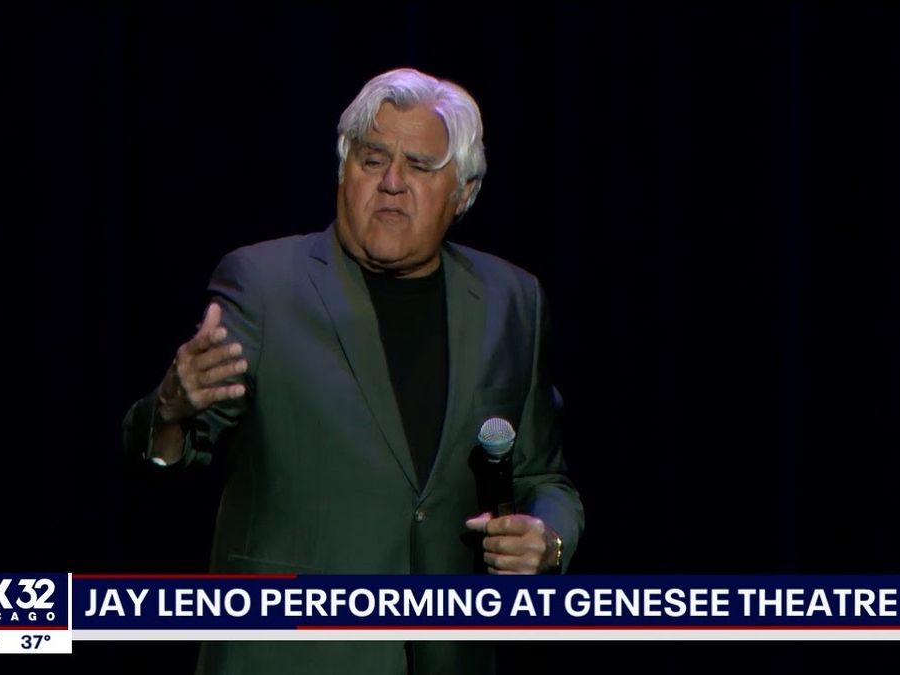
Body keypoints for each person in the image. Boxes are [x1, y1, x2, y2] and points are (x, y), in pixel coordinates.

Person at [122, 67, 584, 675]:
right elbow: (173, 456)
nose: (392, 183)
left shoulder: (511, 301)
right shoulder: (264, 286)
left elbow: (544, 477)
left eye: (419, 166)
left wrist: (547, 541)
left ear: (464, 194)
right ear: (344, 170)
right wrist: (171, 410)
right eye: (372, 160)